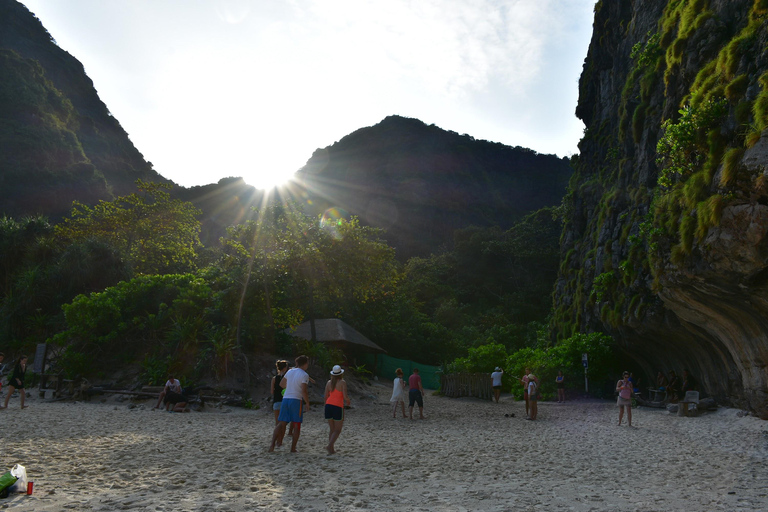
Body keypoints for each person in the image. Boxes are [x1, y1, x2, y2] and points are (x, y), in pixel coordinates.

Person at [269, 355, 311, 452]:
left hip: (286, 399)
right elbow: (304, 390)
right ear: (305, 364)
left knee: (281, 423)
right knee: (296, 424)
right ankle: (293, 448)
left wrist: (291, 386)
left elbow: (282, 384)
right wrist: (307, 403)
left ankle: (272, 445)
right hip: (296, 399)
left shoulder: (290, 371)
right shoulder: (304, 374)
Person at [324, 365, 351, 455]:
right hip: (337, 406)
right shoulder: (342, 382)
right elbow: (344, 396)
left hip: (328, 405)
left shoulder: (329, 383)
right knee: (337, 430)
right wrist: (348, 400)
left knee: (332, 429)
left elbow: (325, 396)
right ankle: (330, 445)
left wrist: (326, 406)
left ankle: (331, 449)